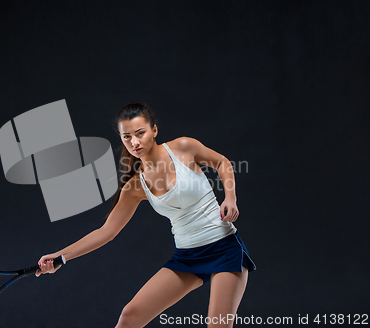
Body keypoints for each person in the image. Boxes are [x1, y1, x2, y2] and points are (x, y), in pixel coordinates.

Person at [36, 103, 256, 328]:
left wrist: (230, 198)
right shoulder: (134, 186)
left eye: (140, 133)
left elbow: (222, 162)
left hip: (224, 248)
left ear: (154, 130)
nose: (134, 142)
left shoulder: (183, 147)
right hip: (187, 257)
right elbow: (106, 232)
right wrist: (60, 256)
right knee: (130, 316)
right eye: (127, 137)